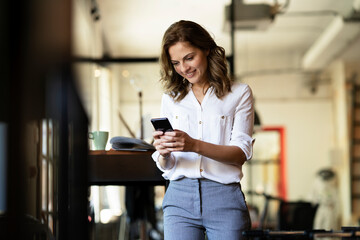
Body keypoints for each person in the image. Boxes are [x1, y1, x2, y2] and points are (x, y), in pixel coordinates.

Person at [152, 20, 255, 240]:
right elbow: (168, 165)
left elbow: (240, 154)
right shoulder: (170, 99)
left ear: (206, 49)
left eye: (189, 58)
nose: (184, 68)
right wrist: (163, 152)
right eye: (176, 62)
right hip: (179, 197)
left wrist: (193, 145)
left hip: (224, 197)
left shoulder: (239, 93)